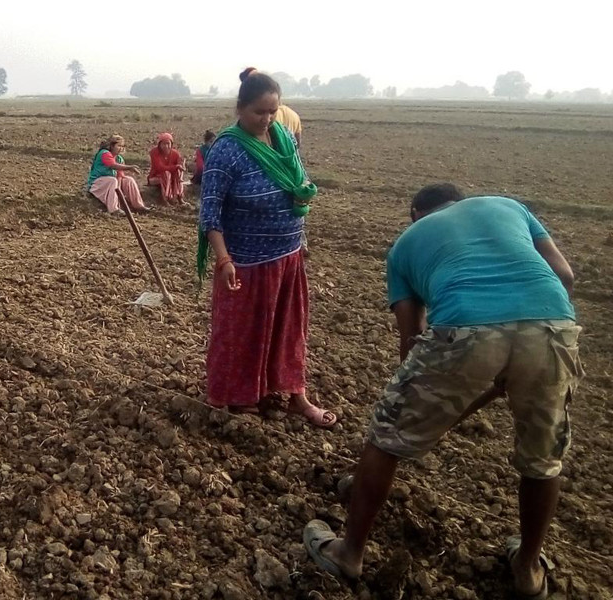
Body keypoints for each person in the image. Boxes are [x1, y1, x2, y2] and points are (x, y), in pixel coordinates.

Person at [303, 184, 583, 600]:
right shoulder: (507, 206)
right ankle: (527, 568)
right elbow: (564, 276)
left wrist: (415, 404)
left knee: (384, 438)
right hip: (552, 327)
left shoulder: (405, 244)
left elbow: (412, 337)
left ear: (416, 212)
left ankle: (349, 552)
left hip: (465, 328)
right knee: (543, 459)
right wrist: (519, 350)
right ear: (462, 200)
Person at [198, 68, 335, 427]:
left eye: (273, 111)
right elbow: (210, 212)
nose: (267, 119)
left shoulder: (284, 139)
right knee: (243, 332)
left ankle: (294, 393)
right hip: (245, 261)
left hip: (287, 255)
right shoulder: (226, 150)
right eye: (260, 111)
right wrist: (224, 259)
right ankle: (242, 398)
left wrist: (300, 234)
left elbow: (297, 182)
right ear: (240, 108)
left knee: (288, 330)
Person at [86, 135, 148, 216]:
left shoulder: (119, 158)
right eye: (119, 146)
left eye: (122, 146)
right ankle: (113, 209)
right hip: (98, 182)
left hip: (111, 182)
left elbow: (119, 175)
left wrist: (119, 191)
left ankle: (138, 205)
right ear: (112, 146)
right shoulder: (104, 154)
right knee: (112, 180)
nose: (121, 148)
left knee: (129, 180)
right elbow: (113, 166)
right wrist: (129, 167)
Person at [148, 132, 185, 204]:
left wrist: (181, 166)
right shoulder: (154, 152)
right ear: (159, 145)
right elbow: (160, 168)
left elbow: (181, 167)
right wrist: (175, 167)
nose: (166, 146)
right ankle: (166, 198)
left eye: (168, 144)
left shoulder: (175, 154)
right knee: (166, 173)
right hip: (156, 177)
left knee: (177, 172)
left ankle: (179, 196)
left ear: (171, 144)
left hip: (171, 178)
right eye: (163, 144)